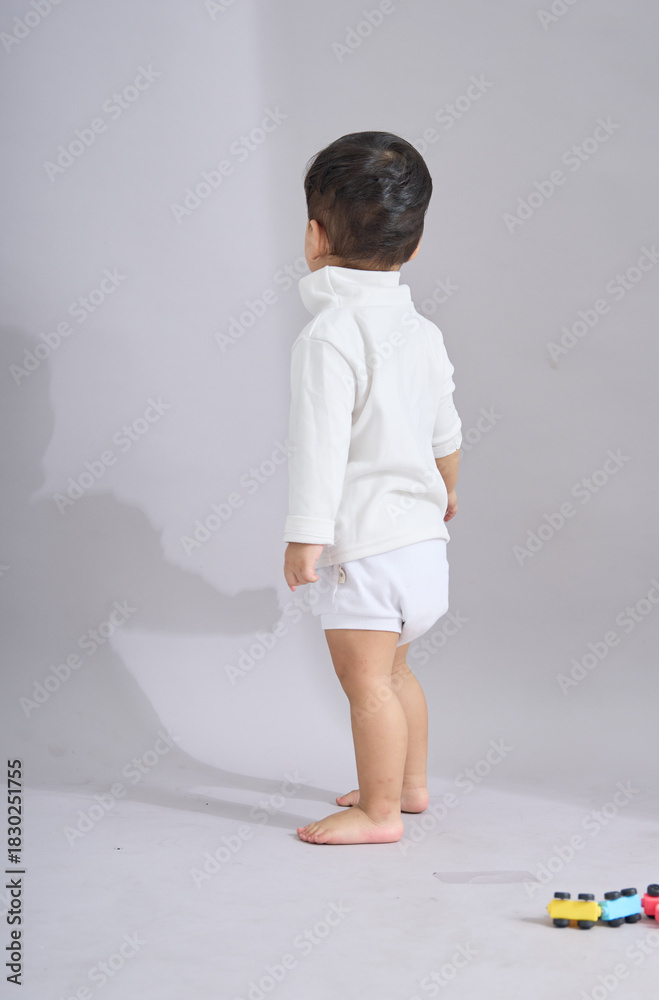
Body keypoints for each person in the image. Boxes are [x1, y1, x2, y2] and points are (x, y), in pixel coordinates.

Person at [282, 131, 462, 845]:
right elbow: (446, 431)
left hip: (367, 551)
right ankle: (408, 785)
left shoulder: (328, 335)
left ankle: (378, 812)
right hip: (423, 546)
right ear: (413, 247)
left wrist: (305, 538)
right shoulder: (423, 332)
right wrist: (447, 491)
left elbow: (318, 450)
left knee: (366, 687)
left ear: (314, 237)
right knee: (398, 674)